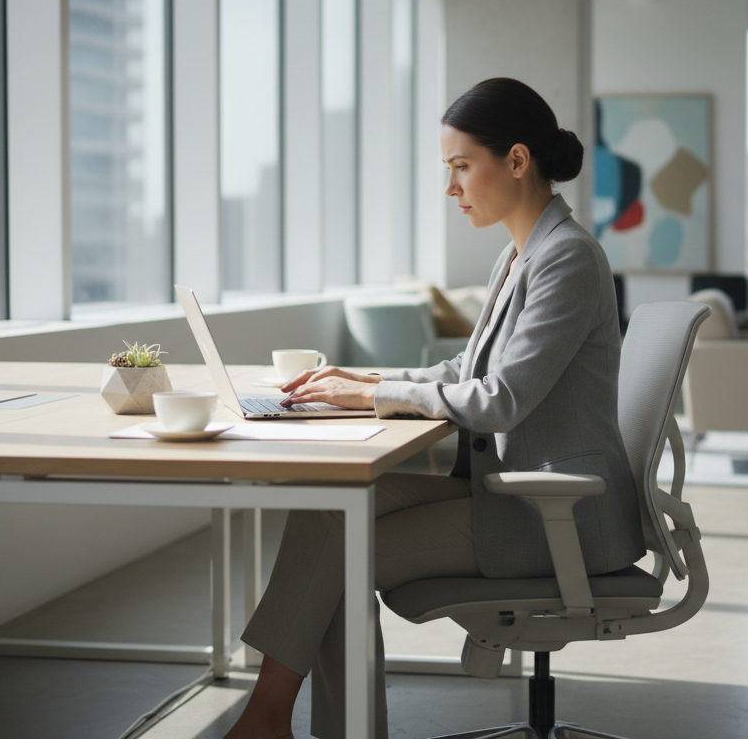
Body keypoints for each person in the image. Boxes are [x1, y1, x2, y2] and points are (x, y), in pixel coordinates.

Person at [222, 78, 641, 739]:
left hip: (556, 513)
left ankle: (274, 719)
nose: (451, 188)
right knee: (328, 512)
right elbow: (468, 370)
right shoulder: (519, 254)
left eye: (461, 167)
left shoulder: (568, 260)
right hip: (510, 494)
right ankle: (271, 717)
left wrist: (372, 397)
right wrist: (371, 378)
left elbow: (501, 399)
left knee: (337, 560)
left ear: (517, 161)